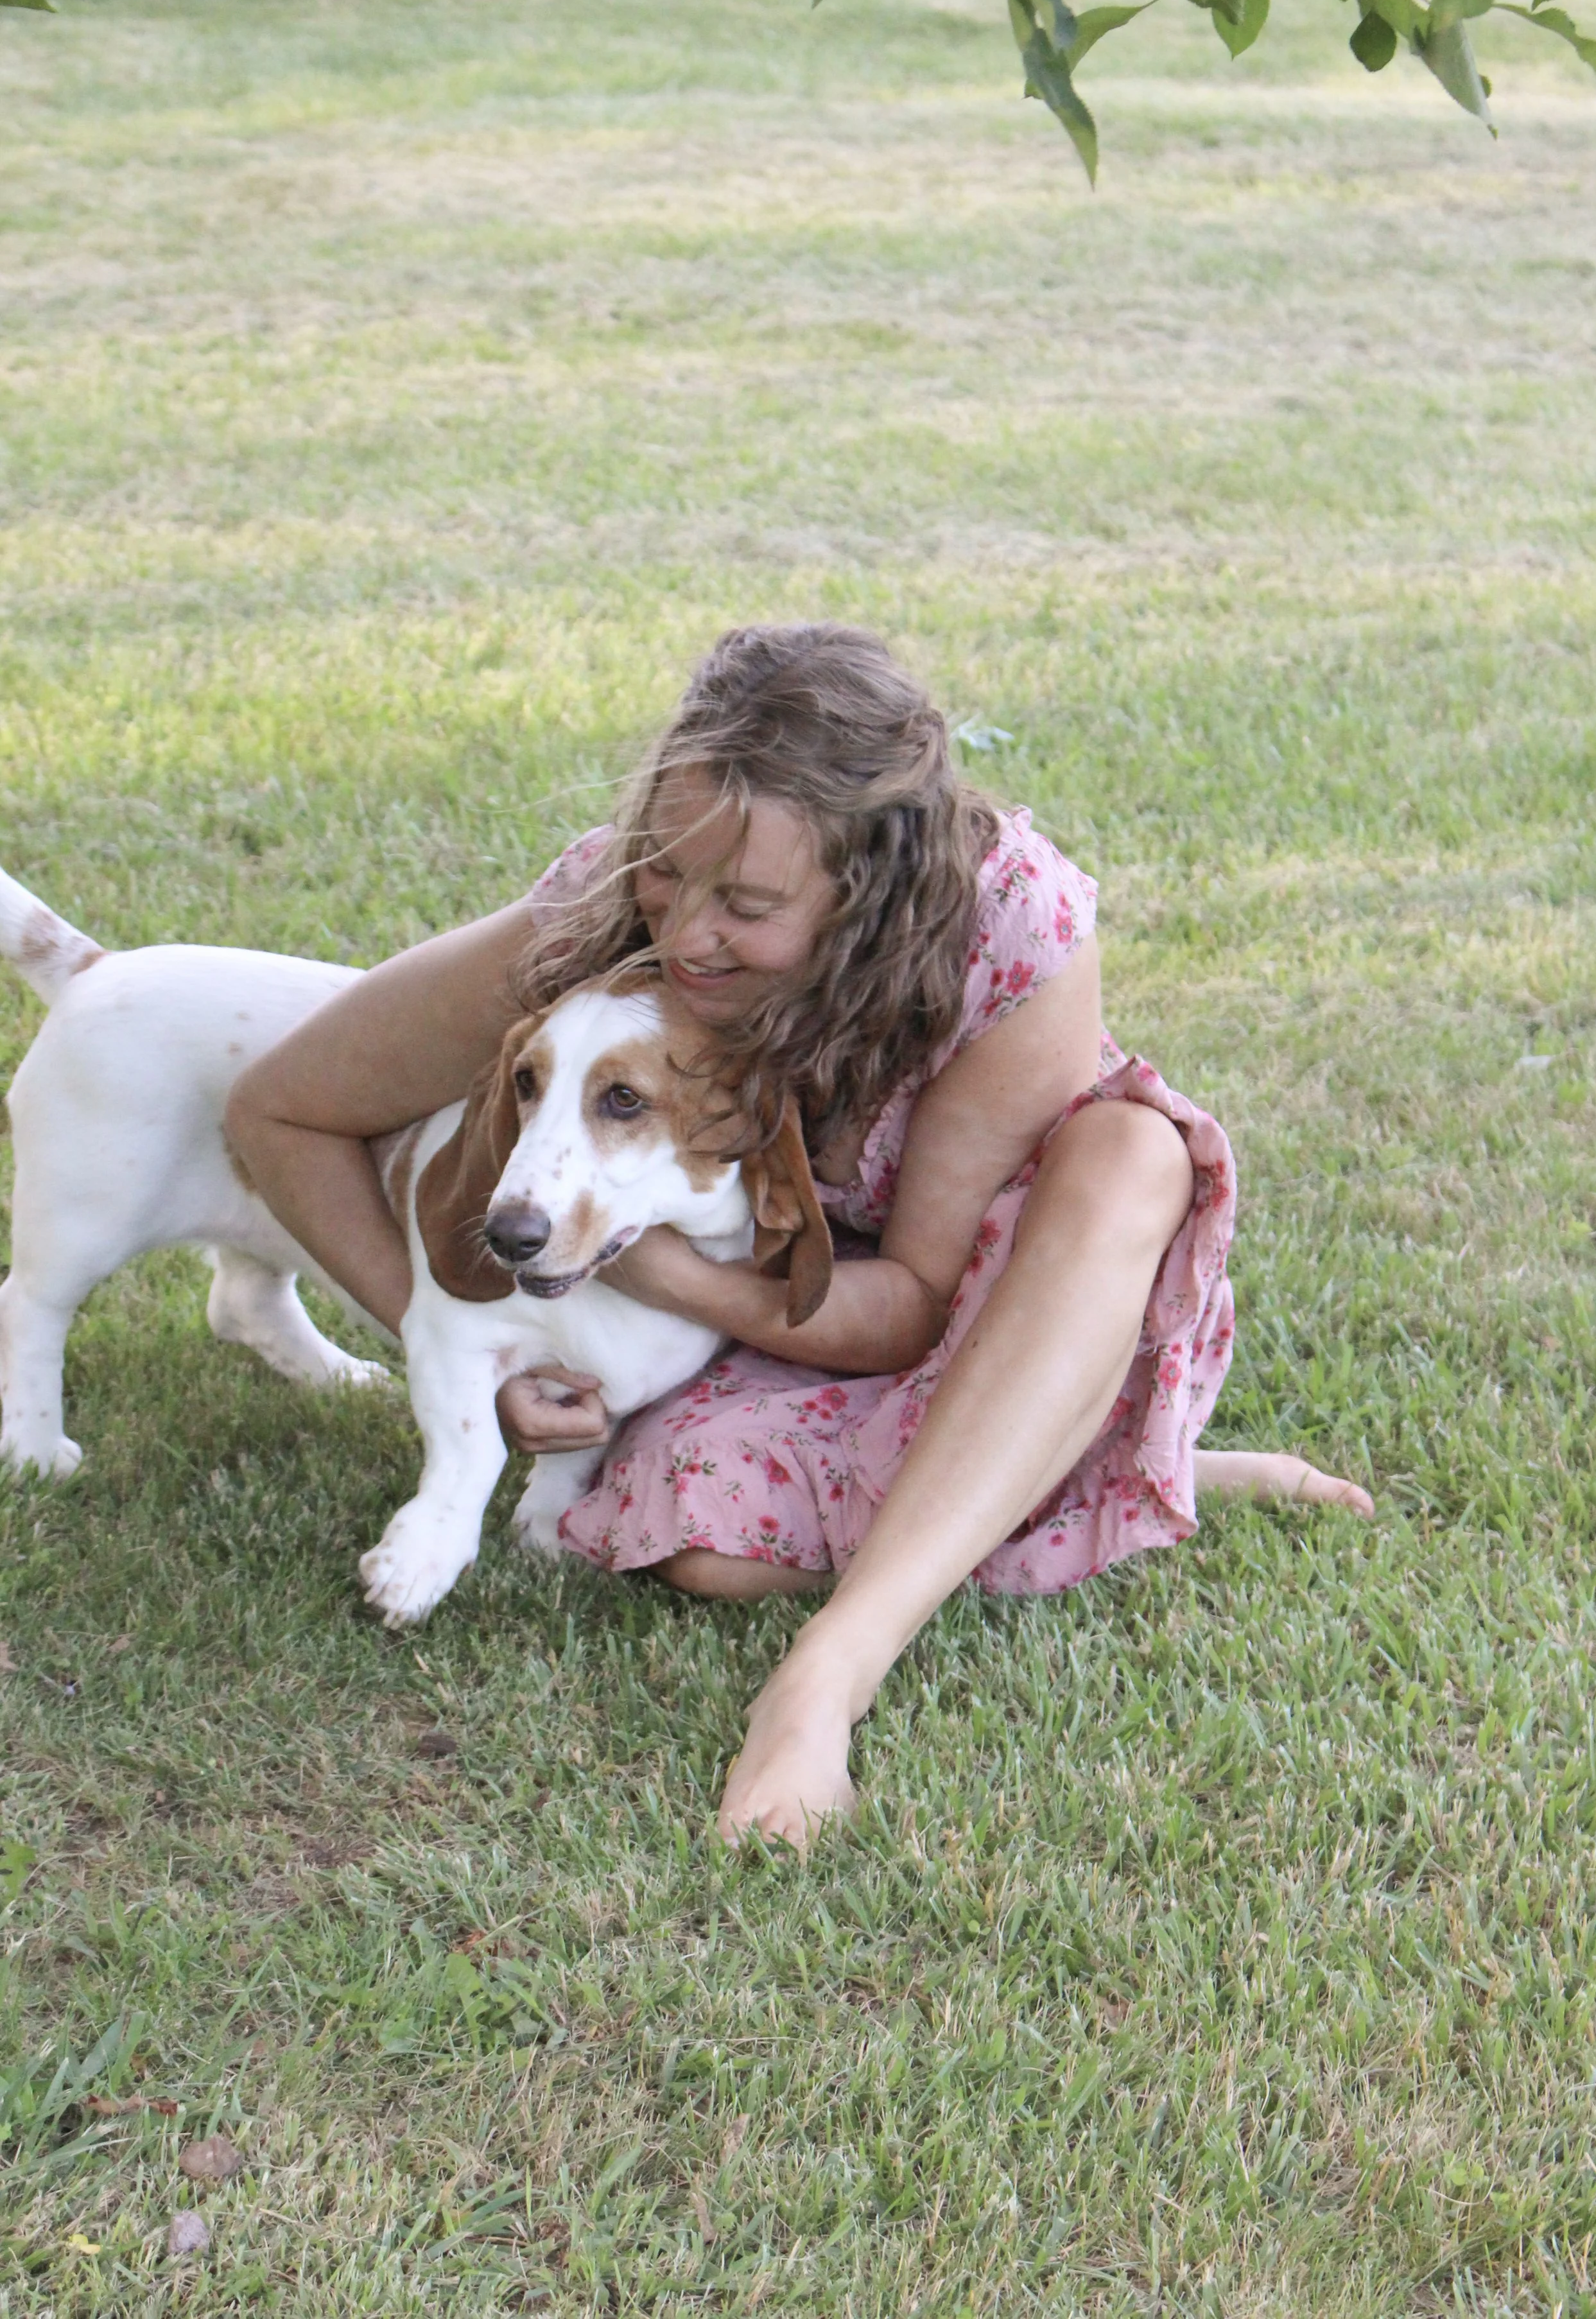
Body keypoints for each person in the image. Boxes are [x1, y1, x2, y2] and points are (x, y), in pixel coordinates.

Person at [227, 623, 1371, 1849]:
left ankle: (829, 1673)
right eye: (668, 870)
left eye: (750, 905)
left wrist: (657, 1266)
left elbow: (914, 1303)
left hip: (979, 1318)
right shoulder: (596, 928)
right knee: (704, 1547)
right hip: (732, 1345)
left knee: (1129, 1150)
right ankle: (1083, 1480)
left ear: (869, 889)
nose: (685, 931)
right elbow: (278, 1112)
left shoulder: (1011, 930)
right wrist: (466, 1356)